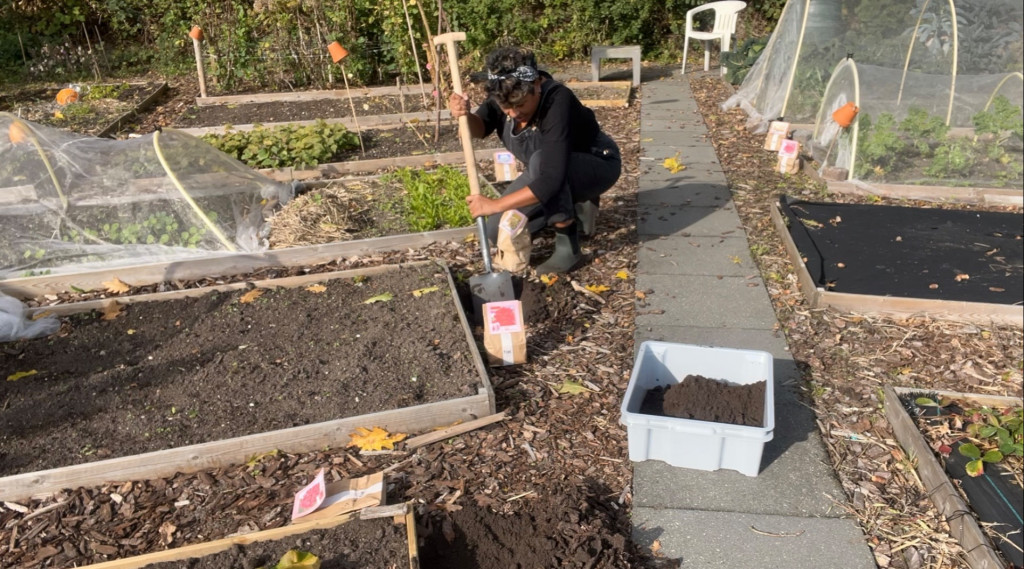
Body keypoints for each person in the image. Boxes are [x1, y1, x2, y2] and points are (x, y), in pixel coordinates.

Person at [448, 46, 621, 274]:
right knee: (494, 231)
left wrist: (495, 204)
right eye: (506, 108)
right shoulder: (504, 91)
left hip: (597, 163)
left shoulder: (558, 100)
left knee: (543, 163)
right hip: (549, 171)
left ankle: (568, 246)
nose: (514, 113)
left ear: (537, 83)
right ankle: (574, 204)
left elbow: (551, 179)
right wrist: (464, 115)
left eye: (520, 105)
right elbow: (478, 130)